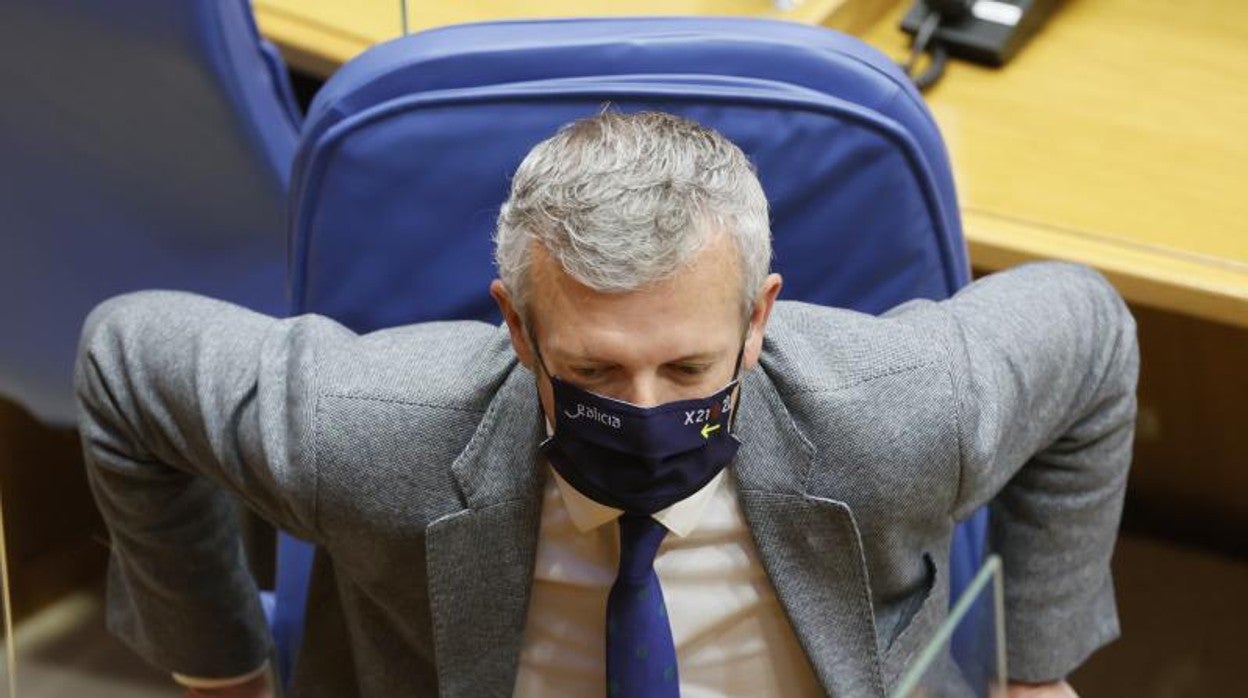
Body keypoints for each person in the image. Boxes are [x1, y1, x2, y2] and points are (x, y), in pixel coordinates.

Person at [76, 111, 1138, 697]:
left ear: (761, 318)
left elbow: (1090, 330)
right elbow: (126, 362)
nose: (643, 411)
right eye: (591, 372)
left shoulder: (901, 406)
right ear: (515, 325)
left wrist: (1030, 672)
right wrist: (222, 671)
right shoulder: (366, 424)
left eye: (687, 371)